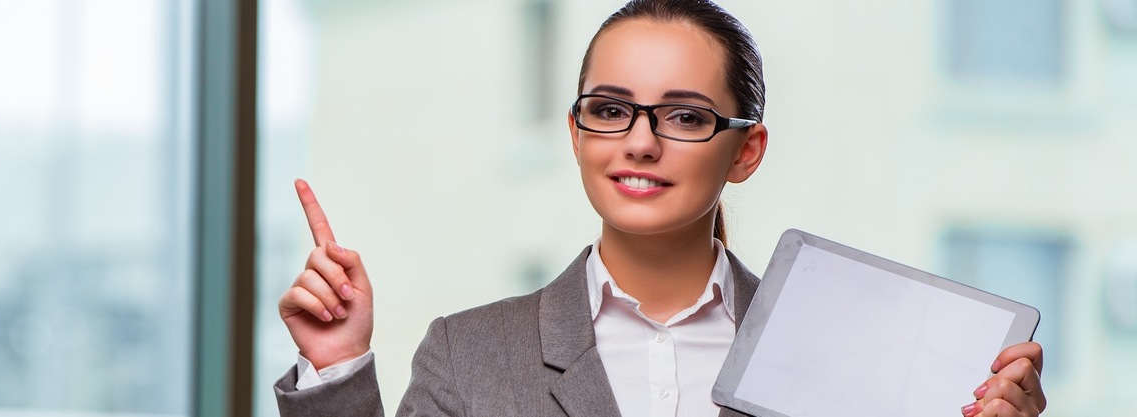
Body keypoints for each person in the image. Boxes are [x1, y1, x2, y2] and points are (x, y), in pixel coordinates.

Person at [273, 0, 1048, 416]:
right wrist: (337, 368)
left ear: (746, 150)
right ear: (576, 134)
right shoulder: (467, 357)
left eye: (683, 116)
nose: (639, 143)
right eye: (610, 110)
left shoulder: (853, 350)